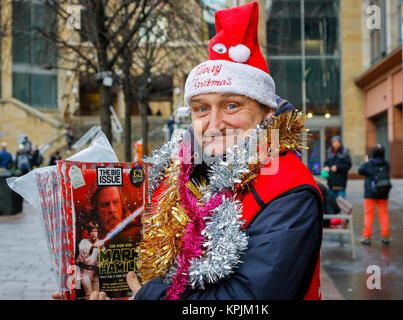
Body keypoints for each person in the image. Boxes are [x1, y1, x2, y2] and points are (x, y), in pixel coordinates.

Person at [57, 1, 323, 301]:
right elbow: (147, 264)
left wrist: (149, 297)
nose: (214, 122)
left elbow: (250, 300)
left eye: (231, 105)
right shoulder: (178, 175)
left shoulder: (288, 188)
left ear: (264, 112)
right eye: (201, 109)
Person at [358, 144, 391, 245]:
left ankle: (367, 237)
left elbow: (360, 170)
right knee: (383, 214)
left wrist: (368, 161)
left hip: (370, 193)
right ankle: (385, 236)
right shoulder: (386, 164)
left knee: (368, 215)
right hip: (383, 191)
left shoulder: (369, 163)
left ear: (373, 153)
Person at [76, 222, 103, 298]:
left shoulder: (100, 243)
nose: (94, 233)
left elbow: (104, 258)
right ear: (88, 233)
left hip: (95, 273)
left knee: (96, 295)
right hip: (85, 272)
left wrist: (102, 249)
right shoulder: (83, 242)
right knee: (89, 295)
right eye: (92, 231)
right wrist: (92, 247)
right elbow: (82, 251)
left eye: (95, 231)